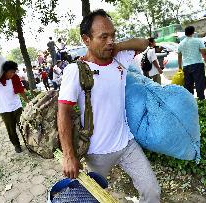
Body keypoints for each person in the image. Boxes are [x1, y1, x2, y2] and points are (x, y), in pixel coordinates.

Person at [57, 9, 160, 203]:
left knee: (152, 191)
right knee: (92, 198)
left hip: (127, 144)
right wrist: (69, 156)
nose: (110, 40)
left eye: (113, 35)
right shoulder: (75, 71)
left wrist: (116, 46)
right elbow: (63, 112)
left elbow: (144, 43)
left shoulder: (118, 60)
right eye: (103, 36)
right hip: (97, 153)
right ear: (86, 39)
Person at [178, 26, 206, 100]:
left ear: (185, 33)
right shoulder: (198, 41)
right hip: (197, 64)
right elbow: (204, 53)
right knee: (199, 83)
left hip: (186, 66)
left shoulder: (181, 43)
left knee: (188, 85)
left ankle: (190, 101)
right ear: (193, 32)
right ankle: (201, 100)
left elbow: (179, 56)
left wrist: (180, 67)